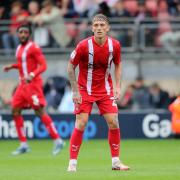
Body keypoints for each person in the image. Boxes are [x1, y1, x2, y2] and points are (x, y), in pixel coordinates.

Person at [67, 14, 130, 172]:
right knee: (81, 123)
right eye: (96, 25)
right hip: (84, 89)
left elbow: (118, 64)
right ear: (92, 28)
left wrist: (117, 86)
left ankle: (116, 162)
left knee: (114, 121)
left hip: (105, 89)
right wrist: (75, 91)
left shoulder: (115, 45)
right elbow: (70, 67)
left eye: (102, 25)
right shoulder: (83, 46)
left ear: (108, 28)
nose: (99, 28)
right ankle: (72, 163)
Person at [3, 24, 64, 156]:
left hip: (33, 85)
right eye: (21, 32)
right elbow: (22, 64)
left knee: (39, 111)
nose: (23, 34)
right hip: (22, 85)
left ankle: (58, 140)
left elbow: (43, 65)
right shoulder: (19, 48)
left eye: (25, 32)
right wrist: (12, 67)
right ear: (18, 34)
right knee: (15, 110)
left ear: (29, 34)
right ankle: (24, 144)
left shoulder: (34, 47)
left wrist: (32, 75)